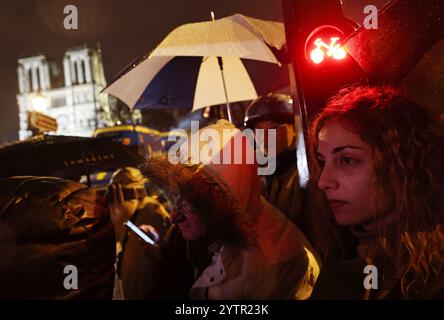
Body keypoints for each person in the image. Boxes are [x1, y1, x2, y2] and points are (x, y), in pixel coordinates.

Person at [143, 119, 320, 300]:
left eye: (191, 202)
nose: (173, 216)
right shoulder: (207, 238)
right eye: (175, 197)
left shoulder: (279, 266)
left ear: (223, 201)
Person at [308, 85, 444, 299]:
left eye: (346, 160)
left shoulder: (433, 275)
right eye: (322, 162)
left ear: (401, 165)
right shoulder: (343, 250)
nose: (323, 182)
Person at [106, 167, 172, 299]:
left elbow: (143, 271)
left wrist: (122, 221)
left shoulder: (152, 213)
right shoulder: (123, 216)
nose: (114, 202)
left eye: (120, 194)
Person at [244, 93, 304, 227]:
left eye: (273, 128)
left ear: (293, 128)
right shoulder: (259, 172)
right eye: (258, 130)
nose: (265, 138)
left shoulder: (304, 171)